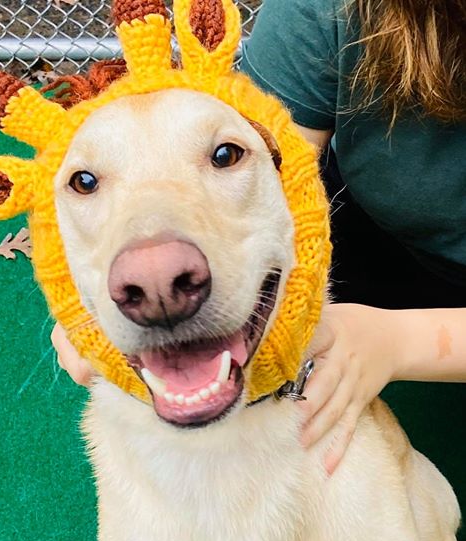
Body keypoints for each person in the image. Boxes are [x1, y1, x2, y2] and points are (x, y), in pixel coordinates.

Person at [52, 0, 466, 472]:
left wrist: (399, 342)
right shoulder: (331, 9)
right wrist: (101, 274)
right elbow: (276, 162)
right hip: (378, 238)